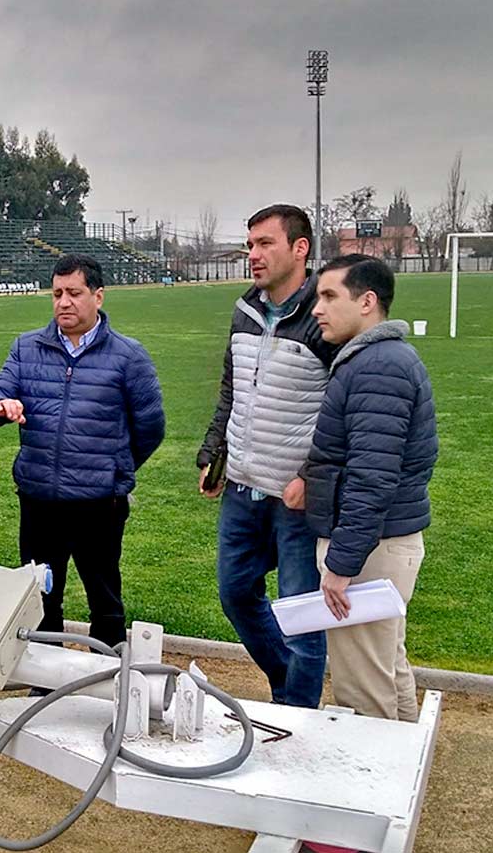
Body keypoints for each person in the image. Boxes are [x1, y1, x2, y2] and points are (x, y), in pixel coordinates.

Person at [0, 254, 165, 650]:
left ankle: (109, 674)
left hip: (99, 503)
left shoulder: (129, 356)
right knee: (41, 599)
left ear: (98, 296)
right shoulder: (27, 347)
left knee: (105, 600)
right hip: (39, 500)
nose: (64, 302)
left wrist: (115, 467)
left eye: (74, 293)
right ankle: (44, 678)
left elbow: (150, 427)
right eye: (57, 293)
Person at [197, 204, 339, 709]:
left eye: (265, 244)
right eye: (250, 244)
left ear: (300, 249)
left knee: (302, 618)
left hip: (296, 498)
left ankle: (298, 718)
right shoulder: (245, 310)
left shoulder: (324, 316)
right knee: (236, 594)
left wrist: (310, 475)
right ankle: (289, 685)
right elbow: (232, 390)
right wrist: (214, 452)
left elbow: (342, 410)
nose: (253, 255)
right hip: (242, 485)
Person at [300, 254, 438, 721]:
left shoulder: (377, 366)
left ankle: (377, 767)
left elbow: (372, 476)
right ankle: (405, 759)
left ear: (367, 302)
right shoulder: (374, 359)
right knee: (387, 669)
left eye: (329, 296)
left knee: (363, 688)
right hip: (380, 543)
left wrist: (342, 565)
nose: (317, 309)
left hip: (370, 548)